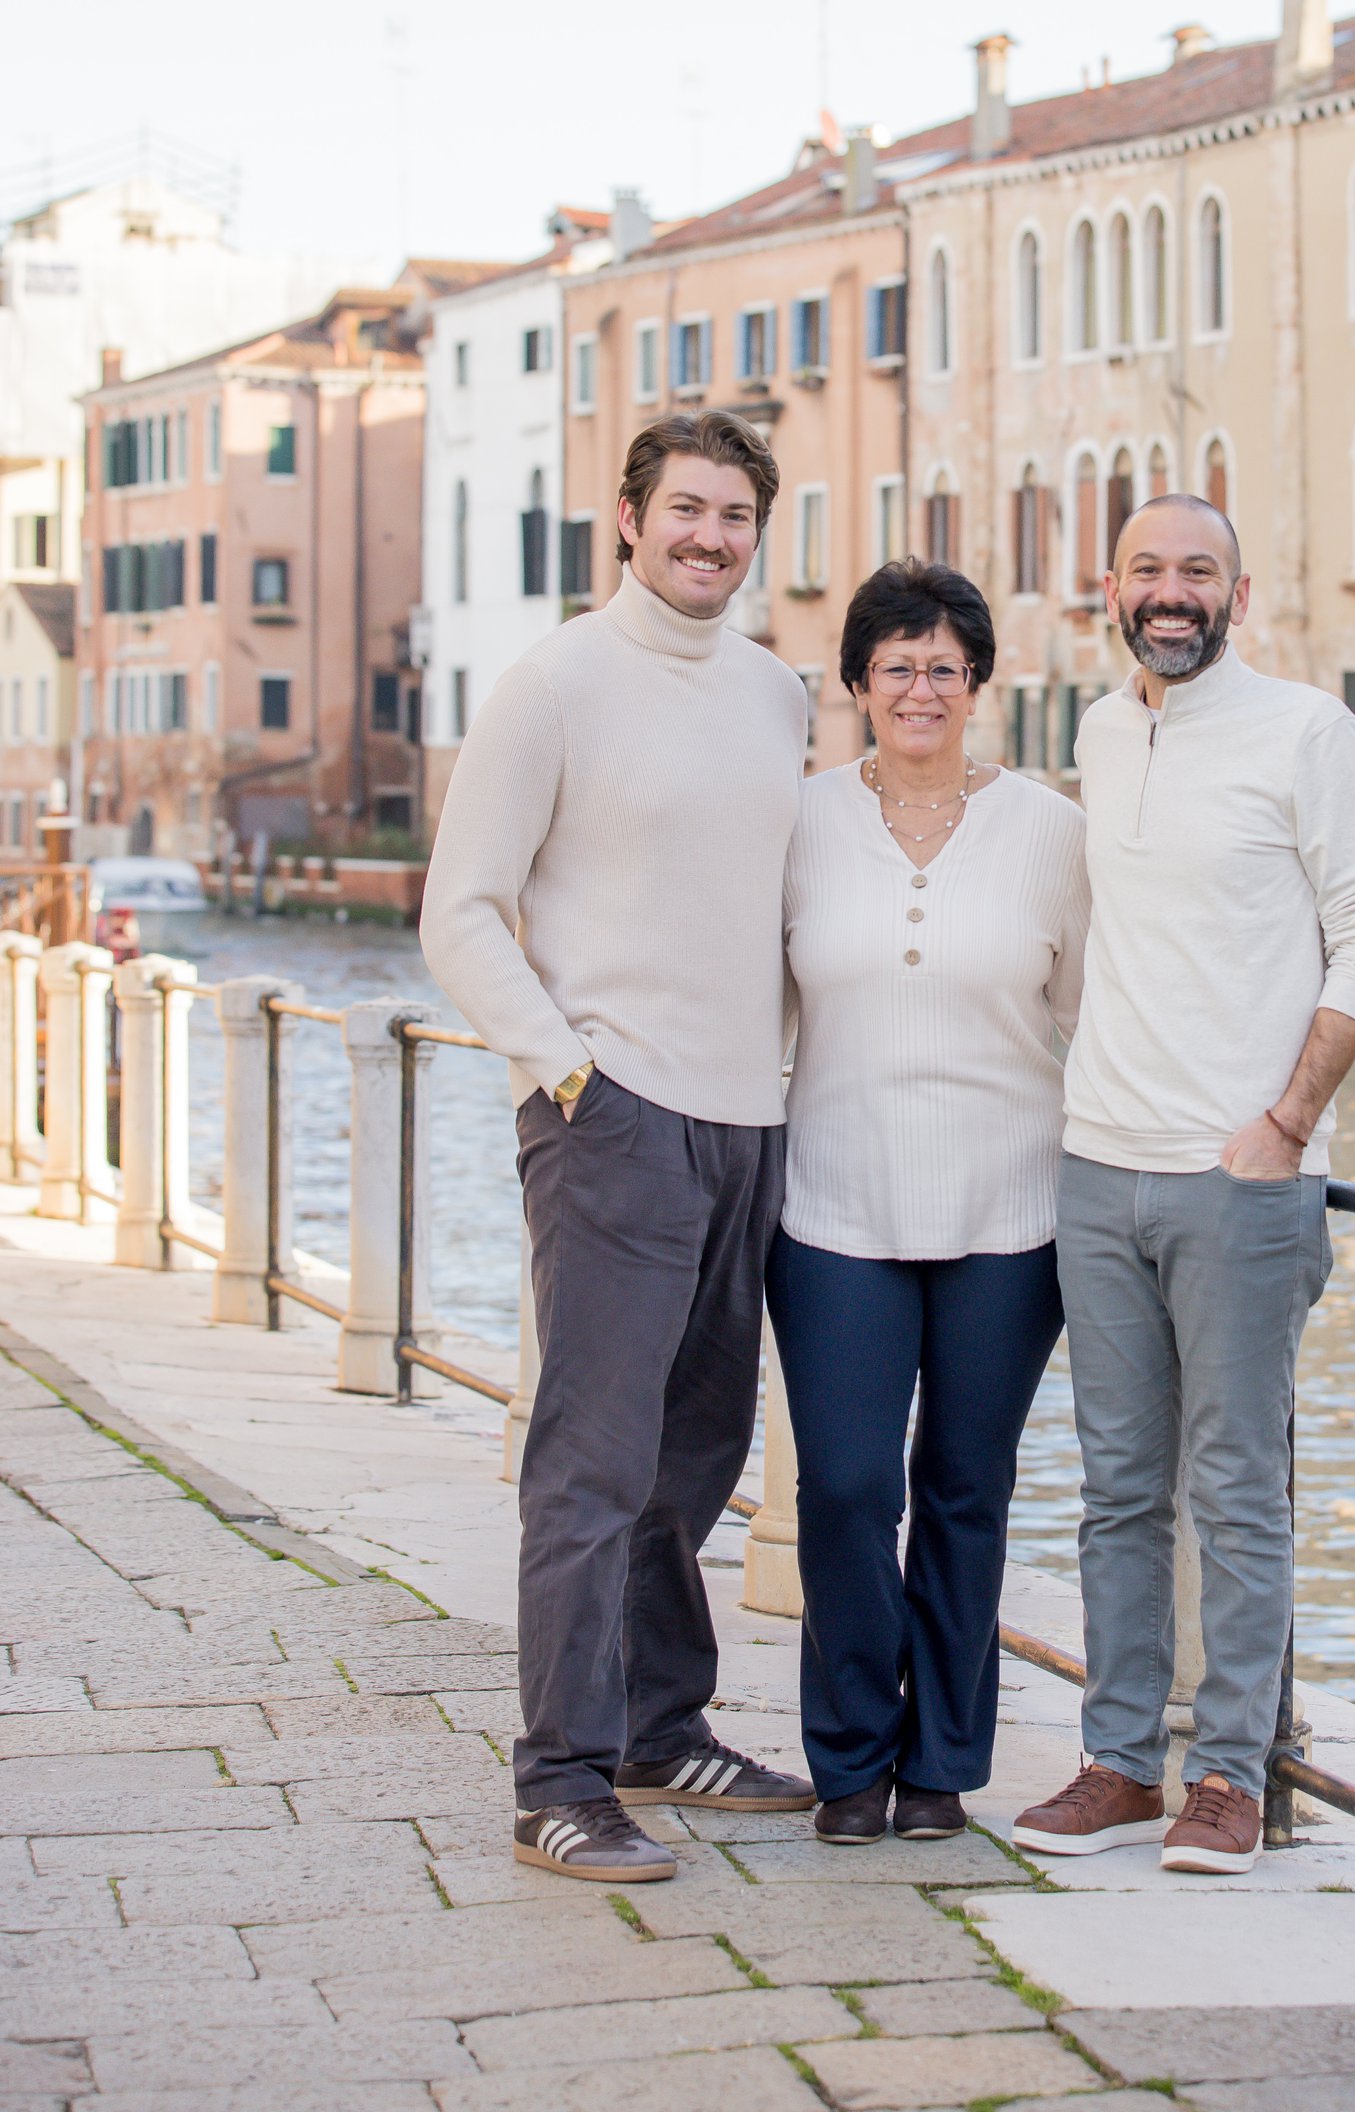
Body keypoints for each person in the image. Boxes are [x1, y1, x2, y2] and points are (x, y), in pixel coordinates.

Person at [420, 410, 815, 1885]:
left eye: (736, 516)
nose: (712, 537)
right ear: (632, 523)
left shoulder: (777, 694)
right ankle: (561, 1781)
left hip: (751, 1121)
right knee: (590, 1465)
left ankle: (660, 1728)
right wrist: (568, 1071)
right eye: (687, 510)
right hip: (616, 1118)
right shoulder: (556, 684)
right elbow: (460, 909)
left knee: (697, 1454)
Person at [1013, 493, 1355, 1876]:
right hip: (1098, 1167)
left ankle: (1231, 1775)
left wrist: (1289, 1123)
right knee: (1117, 1490)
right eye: (1147, 570)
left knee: (1236, 1491)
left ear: (1240, 595)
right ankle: (1121, 1762)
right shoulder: (1100, 732)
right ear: (1109, 589)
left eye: (1198, 571)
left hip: (1240, 1179)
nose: (1170, 592)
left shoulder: (1308, 731)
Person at [771, 558, 1089, 1845]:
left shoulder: (1052, 834)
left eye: (943, 668)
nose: (919, 689)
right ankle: (851, 1758)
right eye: (895, 666)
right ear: (858, 682)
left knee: (966, 1489)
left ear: (977, 684)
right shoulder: (798, 824)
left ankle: (942, 1765)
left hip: (1010, 1214)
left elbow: (1094, 1021)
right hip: (832, 1207)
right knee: (846, 1488)